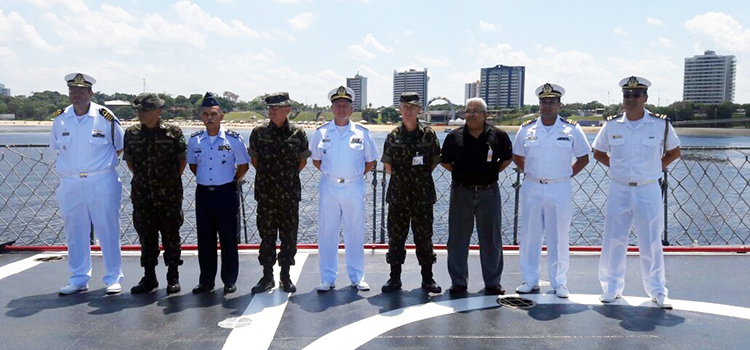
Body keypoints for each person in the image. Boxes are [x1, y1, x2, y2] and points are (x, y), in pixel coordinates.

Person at [593, 76, 681, 309]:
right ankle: (611, 288)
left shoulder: (660, 124)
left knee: (651, 240)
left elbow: (674, 152)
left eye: (636, 95)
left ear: (645, 98)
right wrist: (618, 169)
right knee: (613, 238)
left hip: (648, 188)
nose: (630, 99)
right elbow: (598, 152)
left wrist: (653, 168)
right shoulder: (612, 125)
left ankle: (657, 290)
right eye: (627, 95)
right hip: (619, 188)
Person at [512, 83, 590, 298]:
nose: (547, 105)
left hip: (560, 187)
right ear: (539, 104)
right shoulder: (526, 129)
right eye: (543, 102)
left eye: (551, 102)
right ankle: (530, 279)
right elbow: (517, 155)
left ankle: (559, 282)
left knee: (559, 236)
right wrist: (529, 171)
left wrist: (566, 174)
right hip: (532, 186)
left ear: (559, 105)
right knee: (530, 235)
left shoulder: (571, 129)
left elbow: (584, 158)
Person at [51, 73, 124, 295]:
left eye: (82, 90)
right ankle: (78, 278)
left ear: (91, 93)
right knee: (75, 231)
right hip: (71, 182)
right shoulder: (60, 118)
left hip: (101, 179)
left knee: (108, 229)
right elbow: (56, 147)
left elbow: (120, 146)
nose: (77, 94)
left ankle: (113, 277)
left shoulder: (105, 116)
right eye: (73, 90)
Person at [309, 86, 379, 292]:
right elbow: (316, 160)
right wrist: (335, 175)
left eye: (345, 105)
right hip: (329, 186)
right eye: (337, 105)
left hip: (354, 187)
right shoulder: (321, 133)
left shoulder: (362, 133)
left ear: (351, 109)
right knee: (327, 232)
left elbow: (371, 161)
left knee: (355, 232)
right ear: (332, 108)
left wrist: (354, 176)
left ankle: (357, 276)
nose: (341, 108)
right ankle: (327, 278)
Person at [440, 97, 513, 295]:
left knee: (491, 239)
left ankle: (493, 282)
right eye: (468, 110)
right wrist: (462, 175)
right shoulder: (454, 137)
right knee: (457, 239)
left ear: (485, 114)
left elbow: (507, 158)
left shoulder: (498, 136)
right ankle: (458, 281)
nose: (471, 114)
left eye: (476, 111)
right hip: (461, 192)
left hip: (488, 192)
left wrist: (490, 173)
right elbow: (445, 162)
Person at [247, 92, 310, 294]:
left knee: (288, 235)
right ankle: (267, 276)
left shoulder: (298, 134)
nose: (273, 112)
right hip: (266, 192)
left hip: (289, 193)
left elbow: (302, 162)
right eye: (271, 108)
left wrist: (285, 178)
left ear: (287, 110)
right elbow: (255, 160)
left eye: (277, 108)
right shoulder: (258, 133)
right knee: (266, 235)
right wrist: (271, 177)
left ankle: (285, 275)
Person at [124, 93, 187, 294]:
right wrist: (147, 180)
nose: (140, 114)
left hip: (169, 194)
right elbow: (130, 162)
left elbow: (182, 161)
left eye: (145, 110)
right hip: (143, 193)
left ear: (157, 112)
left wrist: (166, 181)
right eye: (139, 110)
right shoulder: (132, 133)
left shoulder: (173, 132)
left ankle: (173, 276)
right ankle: (149, 277)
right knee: (146, 236)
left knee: (171, 235)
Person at [187, 92, 250, 294]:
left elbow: (243, 165)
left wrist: (230, 181)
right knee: (205, 239)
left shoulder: (234, 139)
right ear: (201, 117)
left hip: (226, 193)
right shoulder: (195, 141)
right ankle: (206, 281)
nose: (209, 118)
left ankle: (229, 280)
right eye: (205, 114)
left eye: (213, 114)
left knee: (228, 239)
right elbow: (193, 165)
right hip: (204, 193)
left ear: (221, 116)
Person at [380, 92, 441, 293]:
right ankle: (394, 278)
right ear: (400, 109)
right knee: (396, 237)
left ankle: (427, 279)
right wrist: (404, 180)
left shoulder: (428, 135)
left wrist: (417, 179)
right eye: (404, 107)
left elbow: (433, 161)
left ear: (419, 110)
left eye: (412, 107)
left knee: (424, 237)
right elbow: (387, 164)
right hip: (398, 195)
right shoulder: (393, 135)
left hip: (422, 195)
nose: (408, 110)